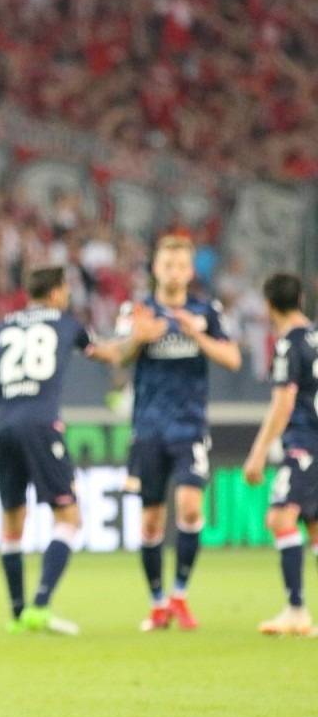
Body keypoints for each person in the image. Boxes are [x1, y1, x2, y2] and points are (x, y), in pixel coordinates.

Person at [0, 266, 119, 635]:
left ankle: (16, 613)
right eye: (66, 291)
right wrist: (137, 338)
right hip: (42, 425)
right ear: (56, 292)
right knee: (69, 518)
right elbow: (108, 354)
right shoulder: (67, 323)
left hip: (4, 428)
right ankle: (40, 606)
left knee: (12, 522)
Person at [116, 235, 241, 632]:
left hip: (189, 425)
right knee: (151, 521)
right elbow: (118, 358)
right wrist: (138, 338)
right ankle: (157, 604)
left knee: (189, 508)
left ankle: (180, 595)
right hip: (148, 427)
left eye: (181, 266)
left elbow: (233, 358)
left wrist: (197, 335)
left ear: (190, 272)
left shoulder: (206, 311)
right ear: (156, 269)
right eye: (167, 265)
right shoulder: (137, 311)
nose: (174, 272)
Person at [243, 272, 317, 636]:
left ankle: (296, 610)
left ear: (269, 305)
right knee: (314, 527)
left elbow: (283, 403)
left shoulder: (288, 344)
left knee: (280, 518)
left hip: (304, 444)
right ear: (300, 299)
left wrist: (258, 453)